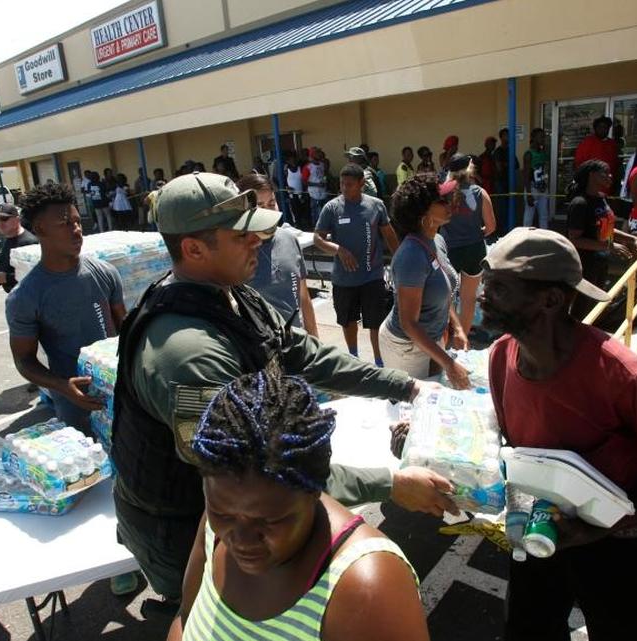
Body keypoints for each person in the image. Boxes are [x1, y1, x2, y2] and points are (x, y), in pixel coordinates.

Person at [111, 171, 460, 606]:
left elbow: (307, 356)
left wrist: (406, 386)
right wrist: (391, 483)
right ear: (194, 249)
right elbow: (256, 472)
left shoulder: (231, 294)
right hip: (190, 528)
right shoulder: (188, 356)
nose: (257, 240)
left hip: (236, 514)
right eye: (241, 235)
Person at [479, 227, 637, 641]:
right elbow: (512, 446)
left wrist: (604, 528)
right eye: (485, 284)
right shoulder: (502, 355)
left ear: (550, 300)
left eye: (498, 288)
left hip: (622, 544)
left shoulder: (622, 376)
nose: (482, 296)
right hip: (541, 530)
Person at [169, 370, 429, 641]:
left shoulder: (367, 584)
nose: (242, 540)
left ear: (316, 491)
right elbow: (184, 617)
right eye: (222, 513)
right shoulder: (218, 526)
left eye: (268, 521)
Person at [5, 182, 127, 435]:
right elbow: (24, 359)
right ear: (40, 229)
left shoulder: (104, 273)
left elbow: (124, 329)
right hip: (75, 407)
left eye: (77, 221)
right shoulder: (25, 297)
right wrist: (62, 386)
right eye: (65, 224)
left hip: (121, 396)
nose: (77, 231)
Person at [379, 176, 468, 384]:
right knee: (411, 408)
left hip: (431, 339)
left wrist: (458, 328)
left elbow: (444, 293)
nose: (449, 204)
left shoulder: (437, 240)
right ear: (423, 212)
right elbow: (409, 323)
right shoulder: (411, 255)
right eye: (441, 201)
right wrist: (449, 363)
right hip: (406, 347)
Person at [314, 164, 399, 364]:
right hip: (344, 279)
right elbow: (318, 239)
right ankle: (354, 359)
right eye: (342, 183)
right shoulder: (332, 208)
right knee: (348, 321)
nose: (344, 188)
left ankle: (379, 361)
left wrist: (399, 258)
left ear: (362, 183)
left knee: (375, 322)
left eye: (349, 184)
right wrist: (338, 250)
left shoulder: (376, 205)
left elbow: (389, 234)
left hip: (372, 276)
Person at [238, 173, 319, 337]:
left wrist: (315, 341)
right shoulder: (236, 251)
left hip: (297, 344)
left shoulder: (289, 239)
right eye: (260, 206)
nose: (268, 211)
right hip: (261, 350)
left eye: (272, 203)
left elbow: (303, 298)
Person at [564, 160, 637, 319]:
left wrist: (632, 238)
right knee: (581, 307)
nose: (610, 176)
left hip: (600, 262)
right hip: (584, 265)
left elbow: (605, 227)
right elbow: (574, 239)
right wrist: (609, 246)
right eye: (605, 173)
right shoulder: (580, 203)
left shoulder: (601, 198)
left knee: (595, 305)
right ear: (592, 175)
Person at [440, 153, 496, 337]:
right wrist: (475, 233)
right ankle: (462, 338)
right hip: (474, 250)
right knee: (468, 299)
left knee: (444, 298)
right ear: (469, 168)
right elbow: (491, 226)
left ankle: (445, 337)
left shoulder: (443, 192)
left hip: (449, 250)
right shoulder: (480, 192)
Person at [0, 203, 38, 293]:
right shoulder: (5, 239)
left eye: (4, 219)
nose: (0, 223)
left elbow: (36, 275)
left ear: (17, 220)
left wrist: (7, 278)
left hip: (31, 296)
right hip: (15, 296)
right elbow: (3, 265)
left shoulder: (29, 242)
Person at [573, 116, 620, 182]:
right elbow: (578, 163)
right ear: (595, 128)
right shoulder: (587, 142)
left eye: (605, 127)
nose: (603, 129)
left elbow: (615, 164)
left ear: (609, 129)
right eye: (600, 127)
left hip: (608, 182)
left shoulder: (612, 144)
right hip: (590, 183)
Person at [522, 128, 551, 229]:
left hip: (543, 188)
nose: (543, 139)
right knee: (529, 216)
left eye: (544, 137)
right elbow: (526, 175)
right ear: (533, 138)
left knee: (544, 216)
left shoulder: (543, 153)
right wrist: (529, 193)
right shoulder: (528, 154)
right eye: (541, 137)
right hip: (533, 188)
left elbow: (546, 170)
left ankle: (544, 238)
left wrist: (545, 184)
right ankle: (524, 238)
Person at [302, 147, 328, 229]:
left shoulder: (322, 165)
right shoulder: (308, 167)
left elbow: (323, 175)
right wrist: (316, 185)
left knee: (324, 212)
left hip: (324, 192)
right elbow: (304, 182)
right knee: (316, 213)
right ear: (313, 155)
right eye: (317, 152)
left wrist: (325, 181)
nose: (320, 153)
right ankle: (316, 229)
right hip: (314, 194)